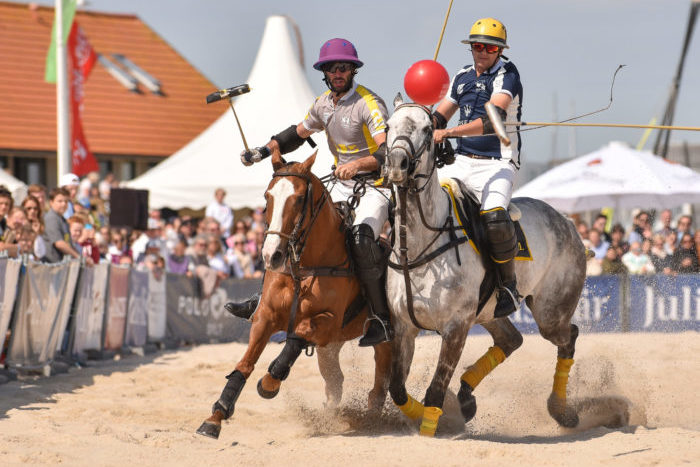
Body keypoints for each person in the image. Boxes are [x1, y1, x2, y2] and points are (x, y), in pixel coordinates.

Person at [227, 37, 392, 346]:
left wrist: (357, 166)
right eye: (332, 68)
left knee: (359, 238)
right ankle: (264, 300)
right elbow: (296, 135)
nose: (338, 73)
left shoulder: (369, 103)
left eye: (344, 67)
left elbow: (388, 154)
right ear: (325, 72)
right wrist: (261, 153)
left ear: (353, 70)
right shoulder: (323, 104)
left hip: (375, 186)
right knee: (298, 226)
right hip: (339, 184)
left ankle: (380, 316)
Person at [433, 17, 524, 317]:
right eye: (477, 46)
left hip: (498, 163)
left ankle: (509, 284)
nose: (482, 52)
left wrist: (448, 133)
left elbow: (490, 120)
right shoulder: (461, 76)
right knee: (420, 197)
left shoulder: (507, 74)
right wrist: (428, 125)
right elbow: (441, 115)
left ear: (499, 51)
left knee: (495, 216)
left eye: (489, 47)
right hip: (460, 162)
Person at [42, 187, 80, 263]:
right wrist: (78, 257)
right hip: (51, 264)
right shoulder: (51, 218)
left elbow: (68, 243)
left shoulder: (62, 219)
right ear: (51, 202)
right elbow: (59, 243)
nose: (63, 204)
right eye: (60, 201)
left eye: (66, 201)